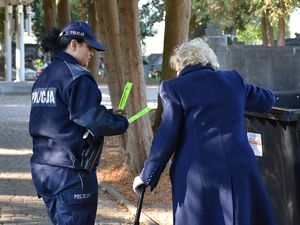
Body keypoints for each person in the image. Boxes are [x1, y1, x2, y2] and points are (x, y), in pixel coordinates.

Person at [133, 38, 276, 225]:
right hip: (239, 168)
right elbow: (267, 101)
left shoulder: (174, 88)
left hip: (198, 177)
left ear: (180, 65)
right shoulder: (233, 80)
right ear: (209, 60)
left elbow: (166, 137)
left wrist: (146, 176)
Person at [29, 20, 129, 225]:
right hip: (71, 173)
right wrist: (119, 122)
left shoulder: (44, 77)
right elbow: (91, 119)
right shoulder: (77, 76)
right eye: (89, 47)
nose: (91, 53)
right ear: (74, 44)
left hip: (44, 171)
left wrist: (106, 113)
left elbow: (65, 115)